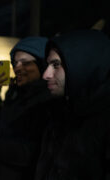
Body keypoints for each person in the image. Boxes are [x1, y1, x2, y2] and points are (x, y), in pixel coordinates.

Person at [35, 30, 110, 180]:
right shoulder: (60, 112)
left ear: (84, 63)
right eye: (48, 65)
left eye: (56, 65)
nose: (46, 75)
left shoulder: (104, 122)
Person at [0, 37, 53, 180]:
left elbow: (34, 152)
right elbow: (3, 133)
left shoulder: (49, 101)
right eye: (15, 62)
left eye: (25, 62)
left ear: (42, 64)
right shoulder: (16, 96)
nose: (17, 67)